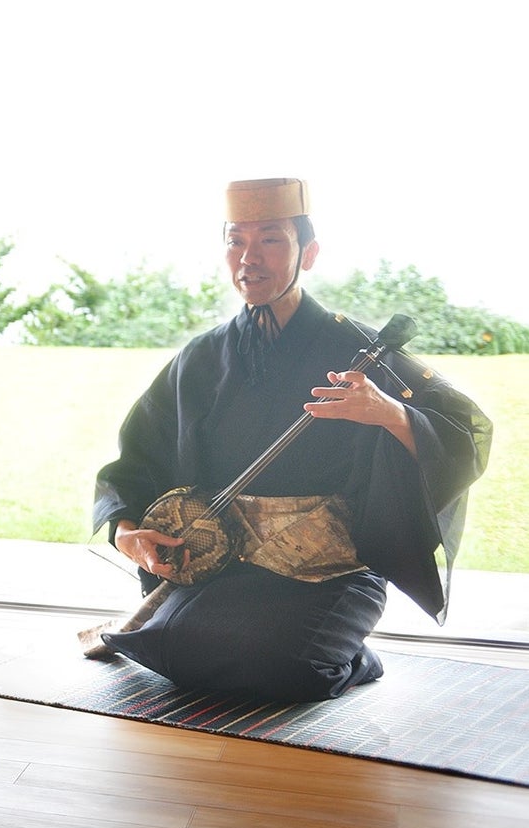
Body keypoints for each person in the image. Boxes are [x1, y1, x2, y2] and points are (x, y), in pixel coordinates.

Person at [90, 177, 491, 701]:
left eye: (271, 240)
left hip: (330, 569)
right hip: (225, 563)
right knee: (170, 648)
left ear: (310, 253)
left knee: (277, 665)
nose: (249, 258)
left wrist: (391, 414)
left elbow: (465, 433)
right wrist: (126, 531)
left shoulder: (359, 349)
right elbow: (137, 457)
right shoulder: (201, 357)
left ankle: (354, 659)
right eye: (236, 241)